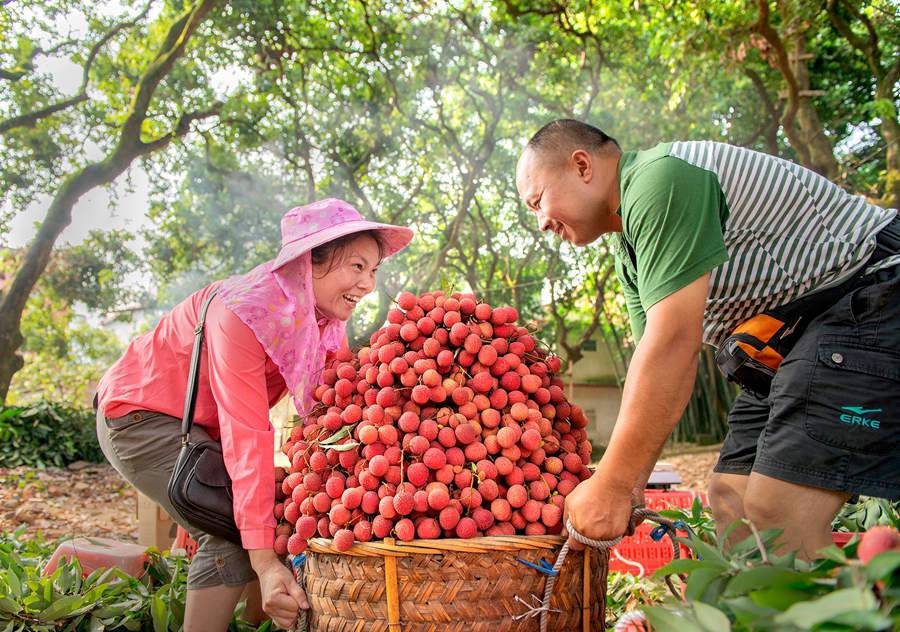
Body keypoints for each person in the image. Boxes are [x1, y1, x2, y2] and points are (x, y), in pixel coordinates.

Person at [515, 118, 899, 559]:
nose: (542, 223)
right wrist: (632, 481)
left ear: (582, 165)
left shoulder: (662, 180)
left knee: (778, 510)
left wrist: (614, 484)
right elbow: (651, 363)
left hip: (869, 296)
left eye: (538, 201)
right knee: (731, 497)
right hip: (789, 343)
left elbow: (674, 344)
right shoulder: (629, 250)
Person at [95, 199, 413, 631]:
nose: (368, 284)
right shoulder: (244, 313)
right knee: (233, 532)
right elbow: (247, 439)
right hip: (138, 415)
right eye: (357, 266)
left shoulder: (322, 325)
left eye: (373, 271)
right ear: (308, 261)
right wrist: (265, 562)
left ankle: (250, 614)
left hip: (200, 431)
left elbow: (335, 411)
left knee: (260, 514)